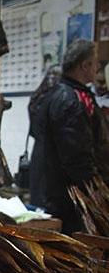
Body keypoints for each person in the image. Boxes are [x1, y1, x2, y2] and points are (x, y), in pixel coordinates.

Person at [28, 39, 101, 234]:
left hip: (49, 191)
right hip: (64, 197)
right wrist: (95, 191)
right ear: (84, 65)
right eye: (95, 63)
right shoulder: (69, 100)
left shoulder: (55, 93)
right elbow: (76, 157)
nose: (97, 69)